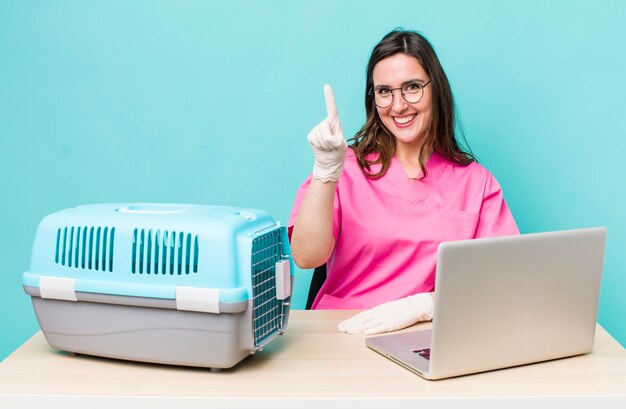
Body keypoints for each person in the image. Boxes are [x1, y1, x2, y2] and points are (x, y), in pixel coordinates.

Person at [288, 29, 519, 335]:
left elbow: (501, 281)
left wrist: (425, 305)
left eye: (412, 87)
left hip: (430, 336)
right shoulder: (345, 168)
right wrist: (325, 170)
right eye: (384, 91)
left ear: (436, 89)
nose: (398, 106)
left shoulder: (476, 183)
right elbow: (306, 257)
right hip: (344, 334)